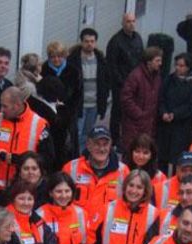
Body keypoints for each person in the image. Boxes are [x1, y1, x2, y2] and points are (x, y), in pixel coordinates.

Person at [0, 86, 54, 190]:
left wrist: (12, 158)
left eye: (5, 106)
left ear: (17, 105)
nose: (1, 110)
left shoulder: (38, 124)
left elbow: (47, 159)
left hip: (24, 190)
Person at [68, 27, 110, 153]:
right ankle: (76, 157)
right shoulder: (73, 60)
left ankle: (84, 156)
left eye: (92, 41)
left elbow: (105, 82)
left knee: (88, 133)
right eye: (86, 41)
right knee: (77, 133)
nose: (89, 44)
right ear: (81, 42)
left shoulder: (101, 60)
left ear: (96, 42)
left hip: (94, 105)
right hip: (79, 105)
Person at [106, 12, 144, 147]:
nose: (131, 24)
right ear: (122, 23)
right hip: (120, 85)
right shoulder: (115, 41)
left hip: (136, 84)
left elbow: (141, 60)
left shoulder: (138, 38)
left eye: (133, 21)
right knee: (117, 113)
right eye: (128, 21)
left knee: (131, 112)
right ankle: (115, 140)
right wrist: (122, 83)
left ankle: (129, 138)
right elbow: (112, 65)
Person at [157, 53, 192, 167]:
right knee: (162, 155)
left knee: (179, 157)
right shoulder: (169, 79)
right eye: (177, 65)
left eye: (181, 66)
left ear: (188, 67)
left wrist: (175, 114)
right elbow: (161, 98)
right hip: (165, 123)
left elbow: (191, 105)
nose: (178, 68)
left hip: (182, 125)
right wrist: (163, 112)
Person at [42, 40, 82, 164]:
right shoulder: (43, 70)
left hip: (68, 114)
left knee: (69, 145)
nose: (56, 60)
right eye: (53, 57)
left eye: (59, 56)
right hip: (49, 115)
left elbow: (78, 93)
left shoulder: (73, 71)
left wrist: (71, 109)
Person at [120, 47, 163, 152]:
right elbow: (126, 98)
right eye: (157, 60)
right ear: (149, 62)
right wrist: (139, 114)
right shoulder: (135, 76)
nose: (160, 63)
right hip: (135, 125)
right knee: (131, 152)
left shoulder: (157, 77)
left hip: (148, 124)